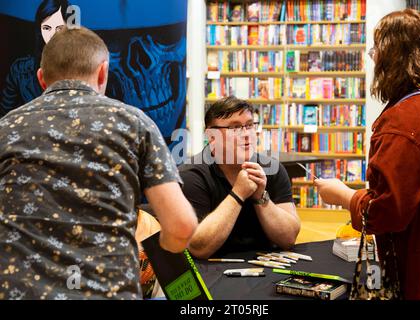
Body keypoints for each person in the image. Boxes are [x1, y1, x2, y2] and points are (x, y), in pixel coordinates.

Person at [0, 26, 198, 300]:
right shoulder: (135, 124)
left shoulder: (6, 128)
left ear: (41, 79)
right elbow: (182, 225)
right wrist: (163, 246)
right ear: (103, 72)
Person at [314, 9, 420, 299]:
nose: (373, 58)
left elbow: (388, 212)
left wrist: (344, 196)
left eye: (376, 49)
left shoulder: (410, 120)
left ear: (391, 55)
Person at [179, 96, 300, 259]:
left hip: (266, 267)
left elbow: (289, 239)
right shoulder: (192, 175)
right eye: (235, 128)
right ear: (212, 136)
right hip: (212, 272)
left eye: (249, 125)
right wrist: (238, 194)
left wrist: (260, 197)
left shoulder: (272, 169)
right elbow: (198, 248)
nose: (246, 134)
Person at [0, 0, 70, 116]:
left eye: (59, 28)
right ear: (40, 29)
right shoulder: (20, 70)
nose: (52, 35)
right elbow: (4, 115)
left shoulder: (82, 69)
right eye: (47, 28)